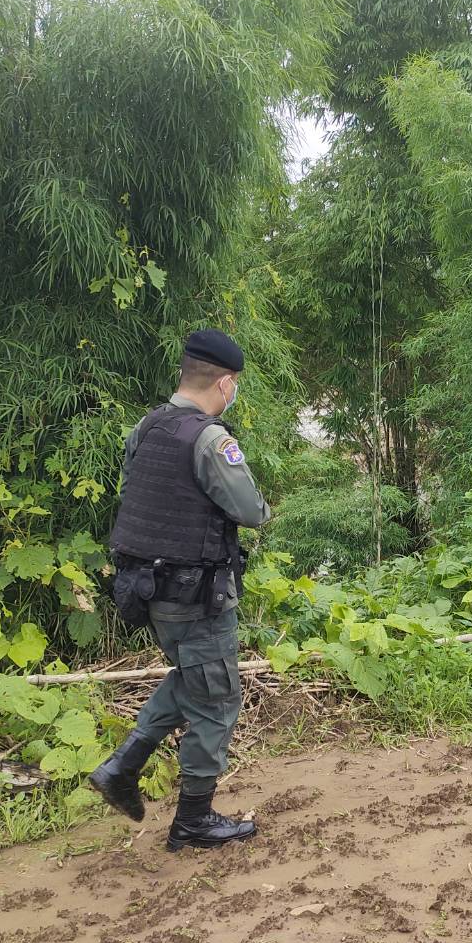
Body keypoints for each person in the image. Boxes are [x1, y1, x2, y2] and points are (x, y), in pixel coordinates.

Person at [89, 328, 273, 850]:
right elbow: (250, 511)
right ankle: (193, 820)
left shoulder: (147, 426)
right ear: (226, 383)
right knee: (217, 698)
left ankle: (122, 766)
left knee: (195, 678)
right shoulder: (210, 440)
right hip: (196, 596)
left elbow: (139, 494)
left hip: (149, 590)